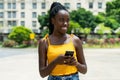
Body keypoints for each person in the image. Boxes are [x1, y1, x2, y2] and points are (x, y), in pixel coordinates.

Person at [38, 2, 87, 80]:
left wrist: (76, 63)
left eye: (67, 20)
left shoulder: (75, 40)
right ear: (52, 20)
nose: (65, 23)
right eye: (61, 20)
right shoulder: (44, 42)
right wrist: (56, 61)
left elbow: (84, 70)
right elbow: (42, 73)